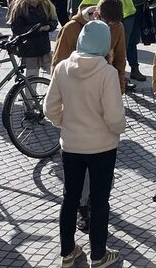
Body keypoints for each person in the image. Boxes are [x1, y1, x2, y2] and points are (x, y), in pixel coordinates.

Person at [45, 19, 126, 268]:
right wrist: (117, 130)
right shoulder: (107, 73)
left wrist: (65, 124)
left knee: (70, 198)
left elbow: (49, 108)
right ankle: (99, 255)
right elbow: (114, 117)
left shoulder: (62, 68)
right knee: (100, 201)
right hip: (102, 147)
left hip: (71, 145)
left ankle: (67, 252)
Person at [9, 0, 59, 78]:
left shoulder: (45, 5)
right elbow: (17, 28)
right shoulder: (21, 8)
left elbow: (53, 20)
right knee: (32, 75)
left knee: (53, 73)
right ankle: (30, 93)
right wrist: (36, 29)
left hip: (44, 46)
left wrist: (49, 26)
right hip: (28, 48)